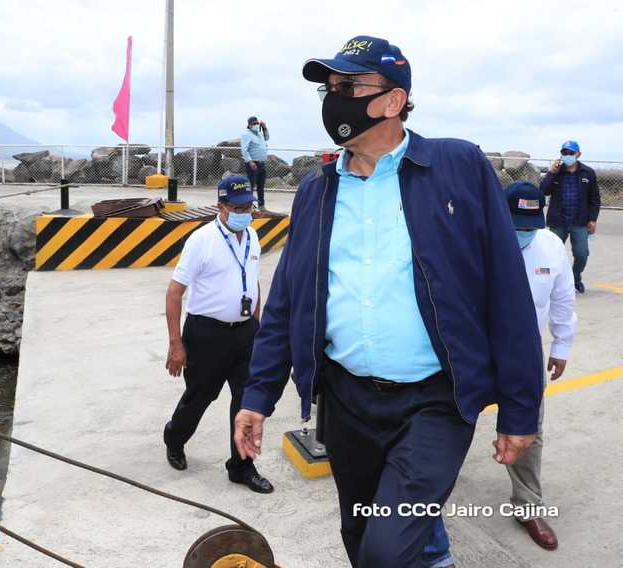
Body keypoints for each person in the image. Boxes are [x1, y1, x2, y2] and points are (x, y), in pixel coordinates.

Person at [233, 35, 544, 567]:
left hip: (435, 402)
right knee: (358, 534)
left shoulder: (459, 166)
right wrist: (257, 395)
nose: (334, 99)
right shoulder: (315, 192)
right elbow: (285, 301)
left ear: (394, 100)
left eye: (349, 86)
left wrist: (520, 409)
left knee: (385, 551)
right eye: (330, 89)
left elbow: (508, 294)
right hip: (347, 402)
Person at [427, 182, 577, 562]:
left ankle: (528, 505)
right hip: (471, 353)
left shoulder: (551, 247)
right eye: (516, 225)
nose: (522, 233)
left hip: (523, 356)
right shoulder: (472, 241)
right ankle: (425, 504)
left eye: (529, 226)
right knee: (445, 424)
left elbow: (562, 299)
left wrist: (561, 345)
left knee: (529, 431)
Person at [163, 175, 273, 494]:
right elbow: (174, 293)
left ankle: (241, 467)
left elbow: (252, 281)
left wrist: (257, 327)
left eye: (248, 207)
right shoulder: (201, 240)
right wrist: (176, 343)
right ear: (220, 207)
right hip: (206, 334)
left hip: (245, 334)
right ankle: (174, 438)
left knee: (247, 401)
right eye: (237, 208)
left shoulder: (252, 236)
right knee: (200, 397)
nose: (244, 213)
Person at [540, 140, 601, 294]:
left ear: (578, 154)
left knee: (582, 254)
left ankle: (575, 278)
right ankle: (551, 282)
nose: (567, 155)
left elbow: (595, 198)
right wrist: (551, 172)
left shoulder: (588, 173)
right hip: (558, 221)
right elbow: (543, 191)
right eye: (564, 153)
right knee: (550, 254)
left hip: (579, 222)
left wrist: (593, 219)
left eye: (571, 153)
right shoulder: (556, 172)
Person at [240, 116, 270, 210]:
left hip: (261, 163)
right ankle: (249, 206)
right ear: (249, 125)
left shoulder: (259, 133)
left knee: (261, 186)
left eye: (257, 123)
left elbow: (267, 138)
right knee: (250, 186)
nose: (256, 125)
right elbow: (244, 150)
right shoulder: (246, 134)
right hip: (253, 164)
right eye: (254, 124)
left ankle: (261, 206)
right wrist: (250, 161)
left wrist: (264, 128)